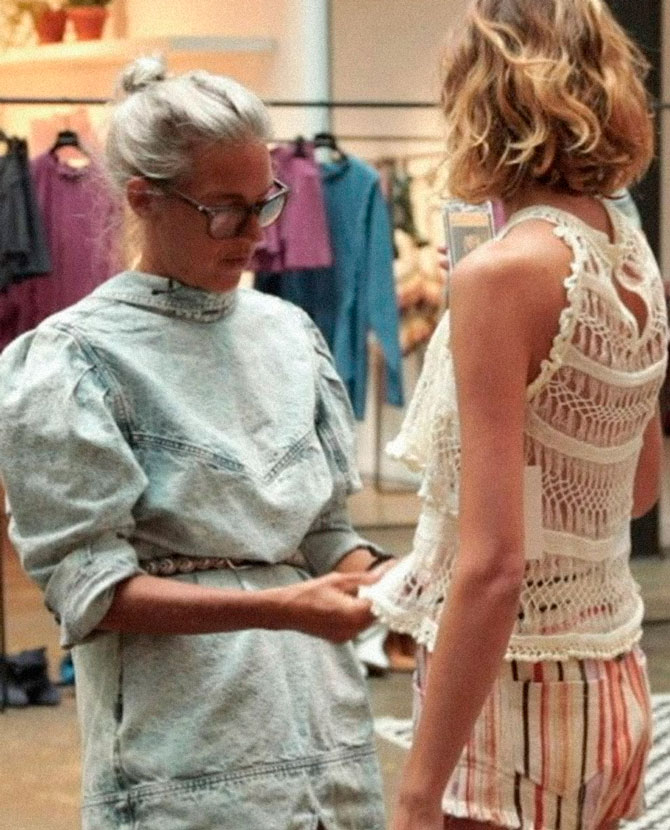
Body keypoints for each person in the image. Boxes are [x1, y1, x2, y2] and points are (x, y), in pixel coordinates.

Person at [0, 56, 389, 829]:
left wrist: (391, 582)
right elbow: (91, 591)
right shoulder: (76, 357)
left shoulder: (288, 334)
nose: (254, 235)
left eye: (264, 203)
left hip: (328, 744)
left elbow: (323, 532)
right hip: (183, 766)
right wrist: (282, 607)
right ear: (144, 199)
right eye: (224, 210)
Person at [363, 2, 668, 829]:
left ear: (480, 97)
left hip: (514, 697)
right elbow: (639, 490)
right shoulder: (630, 257)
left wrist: (418, 794)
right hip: (612, 679)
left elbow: (495, 566)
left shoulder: (503, 276)